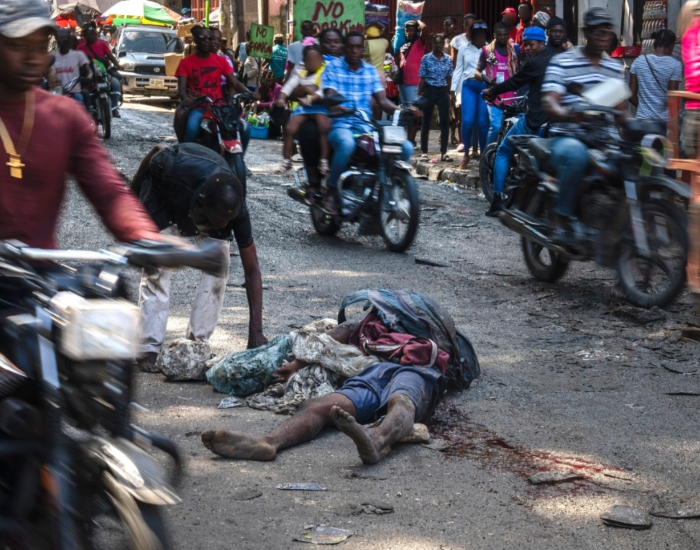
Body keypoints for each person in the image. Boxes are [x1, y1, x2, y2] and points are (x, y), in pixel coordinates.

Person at [0, 0, 164, 251]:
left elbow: (108, 190)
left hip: (39, 277)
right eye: (18, 46)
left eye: (40, 46)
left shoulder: (65, 117)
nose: (33, 58)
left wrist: (145, 235)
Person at [200, 316, 445, 464]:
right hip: (373, 370)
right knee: (322, 406)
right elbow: (335, 336)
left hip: (413, 370)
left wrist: (296, 364)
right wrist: (295, 365)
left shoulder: (429, 334)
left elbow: (338, 333)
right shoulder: (372, 324)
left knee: (402, 401)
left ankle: (377, 438)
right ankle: (268, 442)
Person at [130, 142, 267, 369]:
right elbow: (157, 149)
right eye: (215, 222)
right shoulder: (175, 170)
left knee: (219, 266)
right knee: (158, 269)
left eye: (225, 223)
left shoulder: (235, 209)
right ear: (202, 203)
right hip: (164, 199)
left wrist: (256, 332)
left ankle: (196, 345)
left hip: (208, 202)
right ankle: (149, 346)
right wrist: (131, 195)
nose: (220, 226)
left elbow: (252, 270)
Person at [541, 7, 626, 245]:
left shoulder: (613, 68)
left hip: (604, 139)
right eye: (598, 30)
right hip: (567, 136)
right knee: (578, 156)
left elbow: (621, 111)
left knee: (634, 162)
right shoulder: (564, 61)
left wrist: (643, 126)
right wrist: (568, 114)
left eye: (607, 30)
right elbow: (550, 101)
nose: (603, 34)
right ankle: (561, 218)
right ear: (587, 32)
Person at [322, 31, 418, 214]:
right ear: (345, 48)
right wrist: (336, 105)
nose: (354, 51)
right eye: (351, 47)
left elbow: (382, 101)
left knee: (405, 147)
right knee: (347, 144)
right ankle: (332, 188)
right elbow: (329, 94)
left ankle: (389, 186)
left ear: (362, 50)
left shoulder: (370, 71)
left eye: (358, 47)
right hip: (341, 124)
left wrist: (403, 110)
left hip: (366, 126)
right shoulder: (333, 68)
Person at [482, 26, 551, 215]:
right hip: (552, 121)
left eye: (531, 45)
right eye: (525, 45)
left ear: (542, 43)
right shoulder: (555, 59)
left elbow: (514, 82)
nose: (527, 48)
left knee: (504, 151)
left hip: (534, 121)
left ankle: (497, 200)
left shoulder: (534, 63)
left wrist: (492, 91)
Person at [174, 25, 253, 144]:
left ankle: (237, 160)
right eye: (202, 38)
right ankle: (185, 154)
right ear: (195, 40)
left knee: (245, 130)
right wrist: (186, 98)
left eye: (209, 38)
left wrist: (250, 93)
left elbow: (235, 83)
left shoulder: (222, 60)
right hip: (199, 107)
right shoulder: (185, 63)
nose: (207, 41)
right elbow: (181, 89)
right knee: (192, 128)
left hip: (219, 107)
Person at [292, 28, 344, 201]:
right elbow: (292, 89)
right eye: (328, 42)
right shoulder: (308, 62)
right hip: (314, 111)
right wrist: (305, 89)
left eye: (336, 42)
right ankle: (313, 181)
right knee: (309, 132)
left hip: (343, 114)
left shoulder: (347, 63)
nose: (332, 45)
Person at [276, 43, 330, 176]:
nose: (313, 63)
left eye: (316, 59)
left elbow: (323, 90)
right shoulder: (301, 72)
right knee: (290, 128)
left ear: (321, 60)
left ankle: (324, 160)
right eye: (310, 60)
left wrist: (310, 99)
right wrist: (282, 98)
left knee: (324, 127)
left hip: (318, 106)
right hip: (304, 107)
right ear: (304, 61)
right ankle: (286, 160)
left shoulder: (323, 71)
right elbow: (289, 85)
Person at [452, 21, 489, 170]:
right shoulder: (463, 49)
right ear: (472, 35)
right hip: (468, 86)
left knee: (482, 122)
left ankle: (484, 155)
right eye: (477, 34)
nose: (480, 37)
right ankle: (466, 154)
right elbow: (458, 70)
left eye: (482, 34)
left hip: (484, 87)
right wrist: (453, 91)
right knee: (467, 121)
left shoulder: (489, 49)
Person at [479, 22, 519, 145]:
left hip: (512, 95)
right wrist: (488, 80)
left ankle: (504, 154)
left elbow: (521, 69)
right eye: (500, 35)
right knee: (496, 127)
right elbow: (477, 71)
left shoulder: (515, 49)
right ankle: (488, 152)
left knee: (511, 128)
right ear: (494, 35)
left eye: (505, 35)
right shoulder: (486, 50)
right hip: (495, 96)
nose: (503, 37)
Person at [629, 30, 681, 123]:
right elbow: (673, 99)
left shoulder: (638, 61)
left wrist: (643, 109)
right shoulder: (675, 65)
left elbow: (631, 96)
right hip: (663, 122)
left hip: (642, 120)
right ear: (671, 46)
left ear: (655, 44)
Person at [417, 34, 453, 162]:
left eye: (440, 43)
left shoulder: (448, 59)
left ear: (443, 44)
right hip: (429, 89)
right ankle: (424, 151)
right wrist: (418, 94)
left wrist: (450, 94)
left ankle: (444, 152)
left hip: (443, 90)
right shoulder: (426, 58)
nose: (438, 45)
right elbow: (422, 77)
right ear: (432, 44)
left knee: (445, 122)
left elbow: (449, 77)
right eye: (436, 43)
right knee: (426, 120)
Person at [77, 21, 122, 118]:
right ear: (84, 36)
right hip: (88, 74)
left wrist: (117, 65)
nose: (90, 36)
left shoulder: (103, 44)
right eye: (87, 35)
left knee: (116, 83)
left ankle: (114, 108)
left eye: (92, 34)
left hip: (102, 73)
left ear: (96, 34)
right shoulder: (80, 48)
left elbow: (111, 57)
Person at [449, 14, 476, 149]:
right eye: (467, 25)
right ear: (464, 26)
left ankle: (475, 142)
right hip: (462, 81)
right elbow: (455, 65)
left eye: (472, 25)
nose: (469, 28)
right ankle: (463, 142)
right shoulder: (457, 40)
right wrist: (453, 87)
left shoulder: (482, 41)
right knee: (462, 112)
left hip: (477, 80)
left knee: (477, 113)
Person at [397, 20, 426, 145]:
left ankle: (411, 140)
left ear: (416, 31)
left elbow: (424, 28)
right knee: (406, 112)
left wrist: (416, 18)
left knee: (413, 112)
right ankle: (408, 140)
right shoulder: (405, 44)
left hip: (413, 83)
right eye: (406, 30)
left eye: (411, 30)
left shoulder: (420, 42)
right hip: (403, 83)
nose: (408, 32)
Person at [50, 28, 91, 108]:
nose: (61, 41)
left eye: (63, 39)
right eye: (59, 39)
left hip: (73, 91)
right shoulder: (52, 55)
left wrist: (88, 77)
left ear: (68, 40)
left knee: (79, 100)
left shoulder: (79, 55)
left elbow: (88, 70)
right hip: (56, 92)